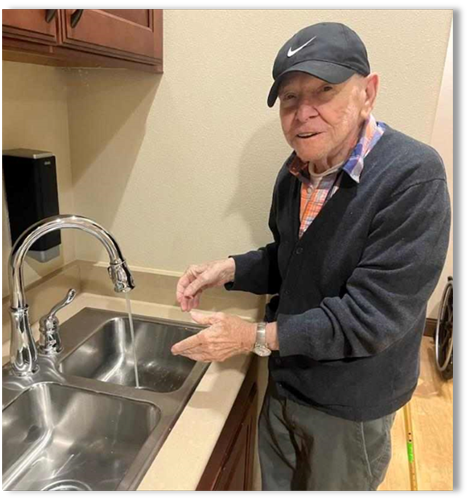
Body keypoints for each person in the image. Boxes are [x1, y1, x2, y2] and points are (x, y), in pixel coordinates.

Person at [172, 22, 451, 491]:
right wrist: (229, 269)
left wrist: (251, 335)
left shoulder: (414, 176)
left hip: (349, 407)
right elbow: (293, 259)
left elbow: (372, 317)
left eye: (324, 91)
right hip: (285, 385)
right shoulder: (294, 173)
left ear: (368, 92)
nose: (304, 113)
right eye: (290, 99)